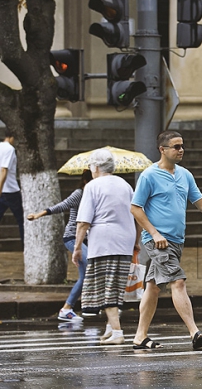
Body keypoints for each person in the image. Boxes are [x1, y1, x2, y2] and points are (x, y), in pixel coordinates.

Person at [131, 131, 202, 350]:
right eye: (176, 146)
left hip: (176, 241)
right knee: (178, 281)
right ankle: (194, 332)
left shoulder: (185, 175)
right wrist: (154, 233)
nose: (181, 150)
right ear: (162, 149)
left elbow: (201, 203)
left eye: (182, 146)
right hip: (158, 242)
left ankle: (140, 337)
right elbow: (135, 208)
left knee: (152, 287)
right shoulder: (149, 175)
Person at [73, 149, 140, 345]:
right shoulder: (125, 185)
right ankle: (110, 328)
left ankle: (118, 333)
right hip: (125, 240)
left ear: (95, 167)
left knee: (105, 287)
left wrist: (77, 247)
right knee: (115, 285)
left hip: (104, 241)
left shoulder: (93, 186)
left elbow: (83, 221)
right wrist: (136, 241)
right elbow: (136, 213)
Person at [27, 169, 93, 323]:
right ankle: (91, 305)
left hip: (87, 239)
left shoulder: (95, 195)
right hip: (72, 237)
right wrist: (39, 214)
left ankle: (67, 309)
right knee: (91, 264)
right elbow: (62, 206)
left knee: (84, 277)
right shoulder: (79, 194)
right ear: (85, 181)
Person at [0, 129, 23, 243]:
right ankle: (26, 246)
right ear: (12, 137)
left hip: (5, 190)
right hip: (10, 190)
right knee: (21, 220)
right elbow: (4, 170)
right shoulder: (9, 149)